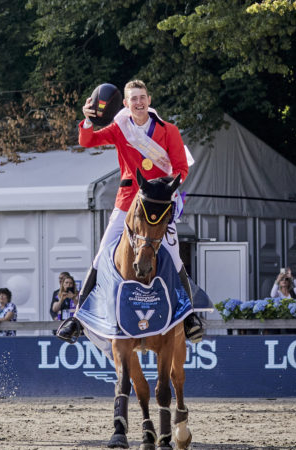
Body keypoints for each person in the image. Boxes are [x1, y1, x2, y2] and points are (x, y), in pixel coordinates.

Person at [56, 80, 204, 343]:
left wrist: (163, 189)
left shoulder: (168, 130)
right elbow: (87, 140)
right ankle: (78, 318)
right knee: (101, 254)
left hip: (157, 206)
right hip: (127, 203)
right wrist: (88, 120)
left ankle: (190, 316)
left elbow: (181, 169)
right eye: (133, 99)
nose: (139, 102)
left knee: (174, 256)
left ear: (149, 99)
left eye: (142, 97)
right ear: (125, 104)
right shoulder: (120, 128)